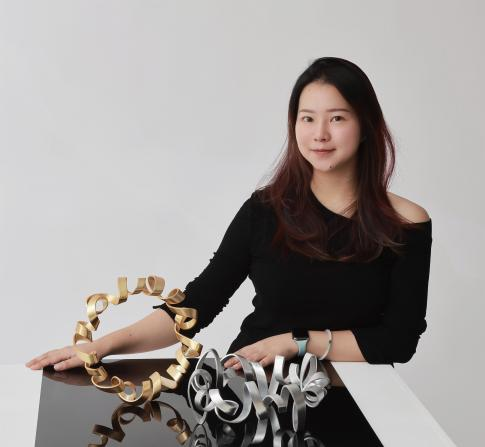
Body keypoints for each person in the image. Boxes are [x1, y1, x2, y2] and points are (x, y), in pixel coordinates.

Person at [26, 57, 432, 373]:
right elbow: (199, 303)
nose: (319, 134)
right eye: (307, 118)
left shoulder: (406, 223)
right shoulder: (265, 209)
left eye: (337, 118)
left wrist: (296, 342)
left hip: (358, 395)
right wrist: (100, 346)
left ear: (366, 125)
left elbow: (398, 342)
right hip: (251, 390)